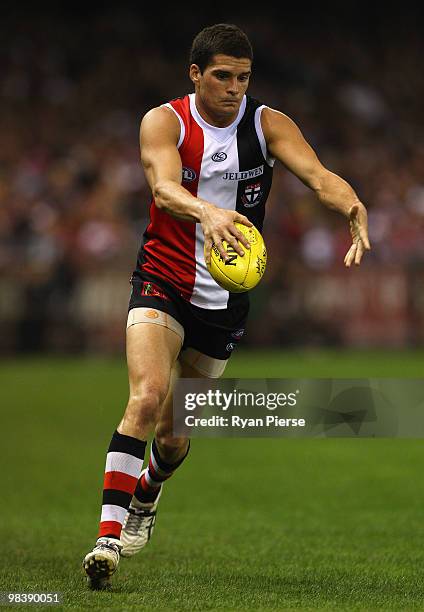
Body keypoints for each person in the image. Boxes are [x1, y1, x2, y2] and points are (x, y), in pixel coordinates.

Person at [82, 23, 370, 588]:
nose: (234, 88)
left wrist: (353, 204)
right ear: (196, 75)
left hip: (225, 303)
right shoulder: (165, 121)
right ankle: (106, 541)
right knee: (145, 398)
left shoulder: (267, 125)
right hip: (163, 279)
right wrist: (207, 212)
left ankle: (148, 495)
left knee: (172, 437)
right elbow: (163, 188)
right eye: (222, 76)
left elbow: (316, 176)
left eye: (242, 77)